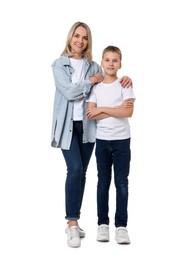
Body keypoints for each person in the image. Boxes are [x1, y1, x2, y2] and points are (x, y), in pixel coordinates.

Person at [51, 22, 133, 248]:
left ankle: (76, 221)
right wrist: (89, 82)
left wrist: (127, 79)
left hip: (88, 127)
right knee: (74, 169)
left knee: (83, 173)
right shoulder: (59, 65)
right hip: (67, 127)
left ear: (88, 42)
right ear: (70, 38)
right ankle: (71, 223)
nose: (80, 41)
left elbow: (110, 76)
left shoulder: (93, 66)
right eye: (77, 36)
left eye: (85, 38)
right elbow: (68, 91)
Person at [86, 45, 135, 244]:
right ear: (102, 62)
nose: (111, 63)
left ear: (120, 64)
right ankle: (102, 225)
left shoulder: (125, 85)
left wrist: (103, 109)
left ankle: (121, 227)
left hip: (122, 140)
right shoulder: (96, 88)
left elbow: (128, 112)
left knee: (122, 183)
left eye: (115, 60)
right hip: (102, 140)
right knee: (103, 182)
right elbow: (91, 113)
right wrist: (116, 108)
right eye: (107, 60)